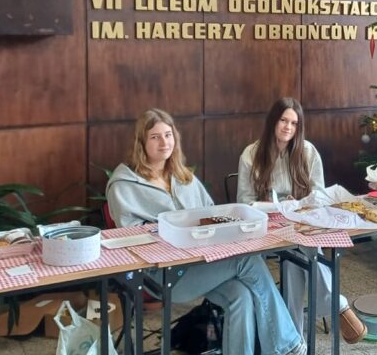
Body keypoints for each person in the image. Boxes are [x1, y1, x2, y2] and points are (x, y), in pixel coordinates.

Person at [106, 109, 306, 355]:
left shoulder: (184, 177)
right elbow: (130, 237)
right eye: (155, 137)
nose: (164, 142)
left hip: (202, 264)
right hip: (163, 275)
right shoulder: (123, 185)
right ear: (141, 143)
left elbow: (211, 214)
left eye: (168, 135)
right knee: (247, 260)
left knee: (241, 296)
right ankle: (287, 346)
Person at [236, 97, 369, 344]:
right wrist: (273, 206)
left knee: (295, 256)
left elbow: (319, 195)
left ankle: (294, 339)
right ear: (273, 121)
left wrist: (298, 206)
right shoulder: (251, 154)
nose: (288, 127)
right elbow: (244, 202)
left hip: (301, 223)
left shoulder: (308, 151)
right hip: (267, 227)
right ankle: (336, 303)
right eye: (283, 120)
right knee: (301, 251)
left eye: (294, 123)